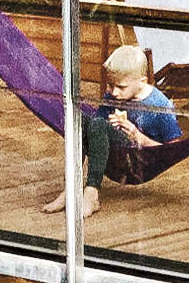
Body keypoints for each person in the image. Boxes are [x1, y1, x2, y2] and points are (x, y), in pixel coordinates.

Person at [65, 42, 177, 214]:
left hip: (137, 159)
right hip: (111, 151)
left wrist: (137, 135)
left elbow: (173, 150)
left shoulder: (159, 106)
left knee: (97, 124)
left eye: (121, 87)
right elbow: (95, 125)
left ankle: (92, 192)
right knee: (78, 119)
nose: (114, 92)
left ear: (142, 82)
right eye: (111, 85)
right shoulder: (113, 96)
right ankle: (70, 188)